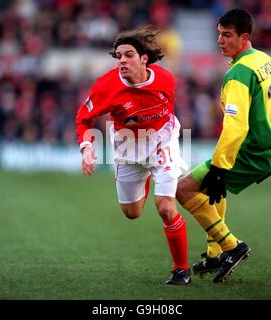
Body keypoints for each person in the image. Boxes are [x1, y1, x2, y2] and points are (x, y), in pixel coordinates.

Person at [176, 8, 271, 283]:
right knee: (216, 188)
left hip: (253, 152)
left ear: (244, 37)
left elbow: (235, 126)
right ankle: (215, 254)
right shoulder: (267, 60)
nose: (220, 40)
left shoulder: (239, 74)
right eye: (219, 34)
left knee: (183, 189)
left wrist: (218, 166)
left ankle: (231, 247)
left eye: (227, 35)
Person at [75, 26, 190, 285]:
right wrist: (87, 148)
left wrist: (161, 145)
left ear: (144, 59)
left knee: (165, 208)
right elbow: (83, 118)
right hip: (127, 147)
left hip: (162, 141)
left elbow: (167, 112)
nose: (122, 61)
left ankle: (181, 269)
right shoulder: (106, 86)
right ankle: (147, 178)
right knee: (132, 213)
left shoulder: (166, 79)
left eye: (128, 55)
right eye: (118, 56)